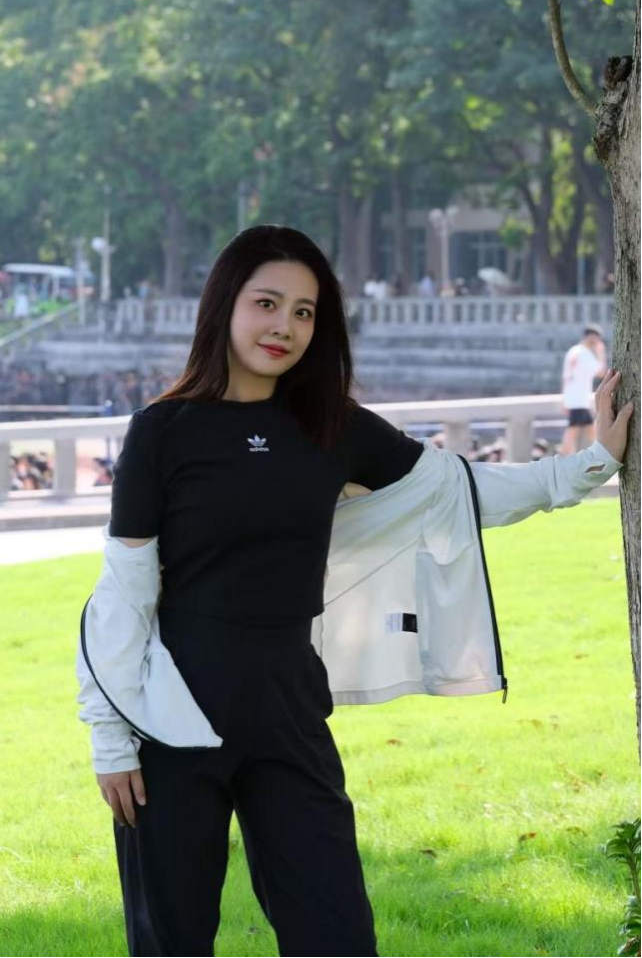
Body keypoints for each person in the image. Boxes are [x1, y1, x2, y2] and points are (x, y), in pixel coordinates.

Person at [77, 225, 631, 958]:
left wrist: (589, 466)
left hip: (289, 710)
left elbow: (456, 491)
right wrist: (110, 738)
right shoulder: (162, 431)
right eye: (267, 303)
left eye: (304, 311)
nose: (284, 325)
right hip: (167, 718)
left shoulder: (332, 428)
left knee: (336, 932)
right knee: (170, 941)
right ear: (224, 305)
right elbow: (123, 592)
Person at [560, 325, 608, 454]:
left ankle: (599, 454)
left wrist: (564, 399)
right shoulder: (585, 354)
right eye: (597, 339)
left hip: (573, 398)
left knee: (590, 430)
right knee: (573, 431)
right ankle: (565, 458)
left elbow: (565, 378)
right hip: (580, 399)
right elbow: (601, 373)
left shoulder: (573, 351)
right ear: (591, 337)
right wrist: (601, 353)